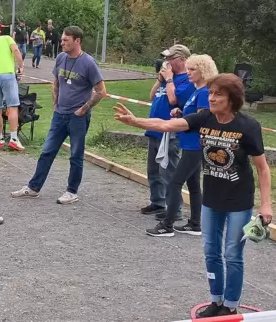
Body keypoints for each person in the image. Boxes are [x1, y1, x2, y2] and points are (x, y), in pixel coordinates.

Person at [114, 73, 273, 318]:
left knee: (232, 253)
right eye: (210, 93)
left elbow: (262, 168)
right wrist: (137, 122)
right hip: (212, 198)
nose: (211, 98)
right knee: (211, 251)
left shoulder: (247, 126)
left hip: (239, 201)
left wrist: (266, 205)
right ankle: (216, 300)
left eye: (217, 94)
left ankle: (230, 305)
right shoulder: (204, 118)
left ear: (232, 99)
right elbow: (168, 125)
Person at [11, 26, 106, 204]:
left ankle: (72, 192)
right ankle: (33, 188)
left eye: (65, 40)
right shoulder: (61, 57)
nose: (61, 43)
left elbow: (101, 91)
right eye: (62, 39)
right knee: (47, 151)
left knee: (76, 155)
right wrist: (55, 104)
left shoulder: (88, 63)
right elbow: (55, 82)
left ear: (77, 41)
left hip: (78, 117)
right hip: (59, 115)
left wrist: (83, 110)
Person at [146, 54, 219, 237]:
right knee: (193, 184)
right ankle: (195, 224)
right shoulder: (197, 90)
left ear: (203, 71)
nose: (188, 73)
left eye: (192, 69)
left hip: (195, 145)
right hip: (188, 143)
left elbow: (203, 118)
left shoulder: (204, 92)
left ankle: (167, 225)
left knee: (174, 182)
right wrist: (180, 113)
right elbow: (192, 114)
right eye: (188, 69)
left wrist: (183, 120)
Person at [141, 44, 195, 220]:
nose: (166, 62)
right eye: (166, 59)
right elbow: (151, 96)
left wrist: (170, 79)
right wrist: (160, 79)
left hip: (171, 132)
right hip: (155, 129)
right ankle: (158, 202)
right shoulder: (166, 79)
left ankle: (175, 209)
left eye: (170, 58)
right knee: (153, 170)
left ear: (182, 60)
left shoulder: (187, 80)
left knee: (169, 172)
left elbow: (174, 100)